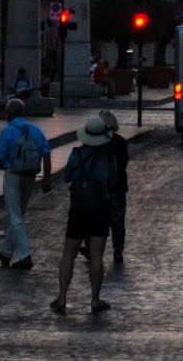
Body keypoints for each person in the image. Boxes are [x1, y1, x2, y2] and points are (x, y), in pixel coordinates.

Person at [50, 116, 118, 314]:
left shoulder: (76, 154)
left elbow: (67, 177)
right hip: (100, 209)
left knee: (68, 254)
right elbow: (113, 181)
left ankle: (62, 297)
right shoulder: (109, 157)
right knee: (96, 255)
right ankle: (95, 300)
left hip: (78, 209)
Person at [0, 97, 52, 268]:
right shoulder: (35, 130)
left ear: (8, 113)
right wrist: (47, 178)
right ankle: (6, 253)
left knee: (15, 217)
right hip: (30, 176)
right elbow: (46, 153)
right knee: (18, 215)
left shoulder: (7, 131)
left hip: (13, 176)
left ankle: (25, 256)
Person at [100, 111, 129, 263]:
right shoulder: (121, 142)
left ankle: (93, 248)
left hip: (101, 187)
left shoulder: (99, 142)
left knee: (98, 217)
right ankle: (118, 251)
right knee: (118, 220)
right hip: (119, 186)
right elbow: (125, 162)